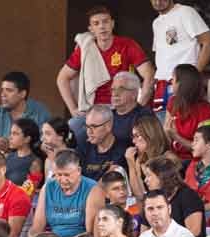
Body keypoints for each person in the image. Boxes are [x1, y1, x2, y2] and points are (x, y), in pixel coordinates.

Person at [57, 5, 153, 143]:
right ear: (91, 29)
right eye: (96, 23)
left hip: (121, 107)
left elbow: (149, 74)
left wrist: (137, 106)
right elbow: (62, 78)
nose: (102, 26)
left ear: (112, 24)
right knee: (73, 128)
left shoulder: (127, 45)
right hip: (93, 108)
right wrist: (73, 109)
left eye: (105, 21)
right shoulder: (85, 49)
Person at [149, 0, 210, 114]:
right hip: (162, 85)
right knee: (164, 127)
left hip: (183, 83)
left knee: (185, 126)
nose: (158, 1)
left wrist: (193, 76)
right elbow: (161, 55)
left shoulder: (185, 12)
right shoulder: (156, 23)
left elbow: (209, 42)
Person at [29, 150, 104, 237]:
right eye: (59, 175)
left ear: (79, 171)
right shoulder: (48, 187)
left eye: (67, 175)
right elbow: (37, 227)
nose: (63, 180)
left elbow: (90, 234)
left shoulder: (93, 189)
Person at [0, 71, 51, 152]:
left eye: (9, 90)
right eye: (2, 90)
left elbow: (47, 146)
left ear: (22, 94)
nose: (3, 94)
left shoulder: (39, 112)